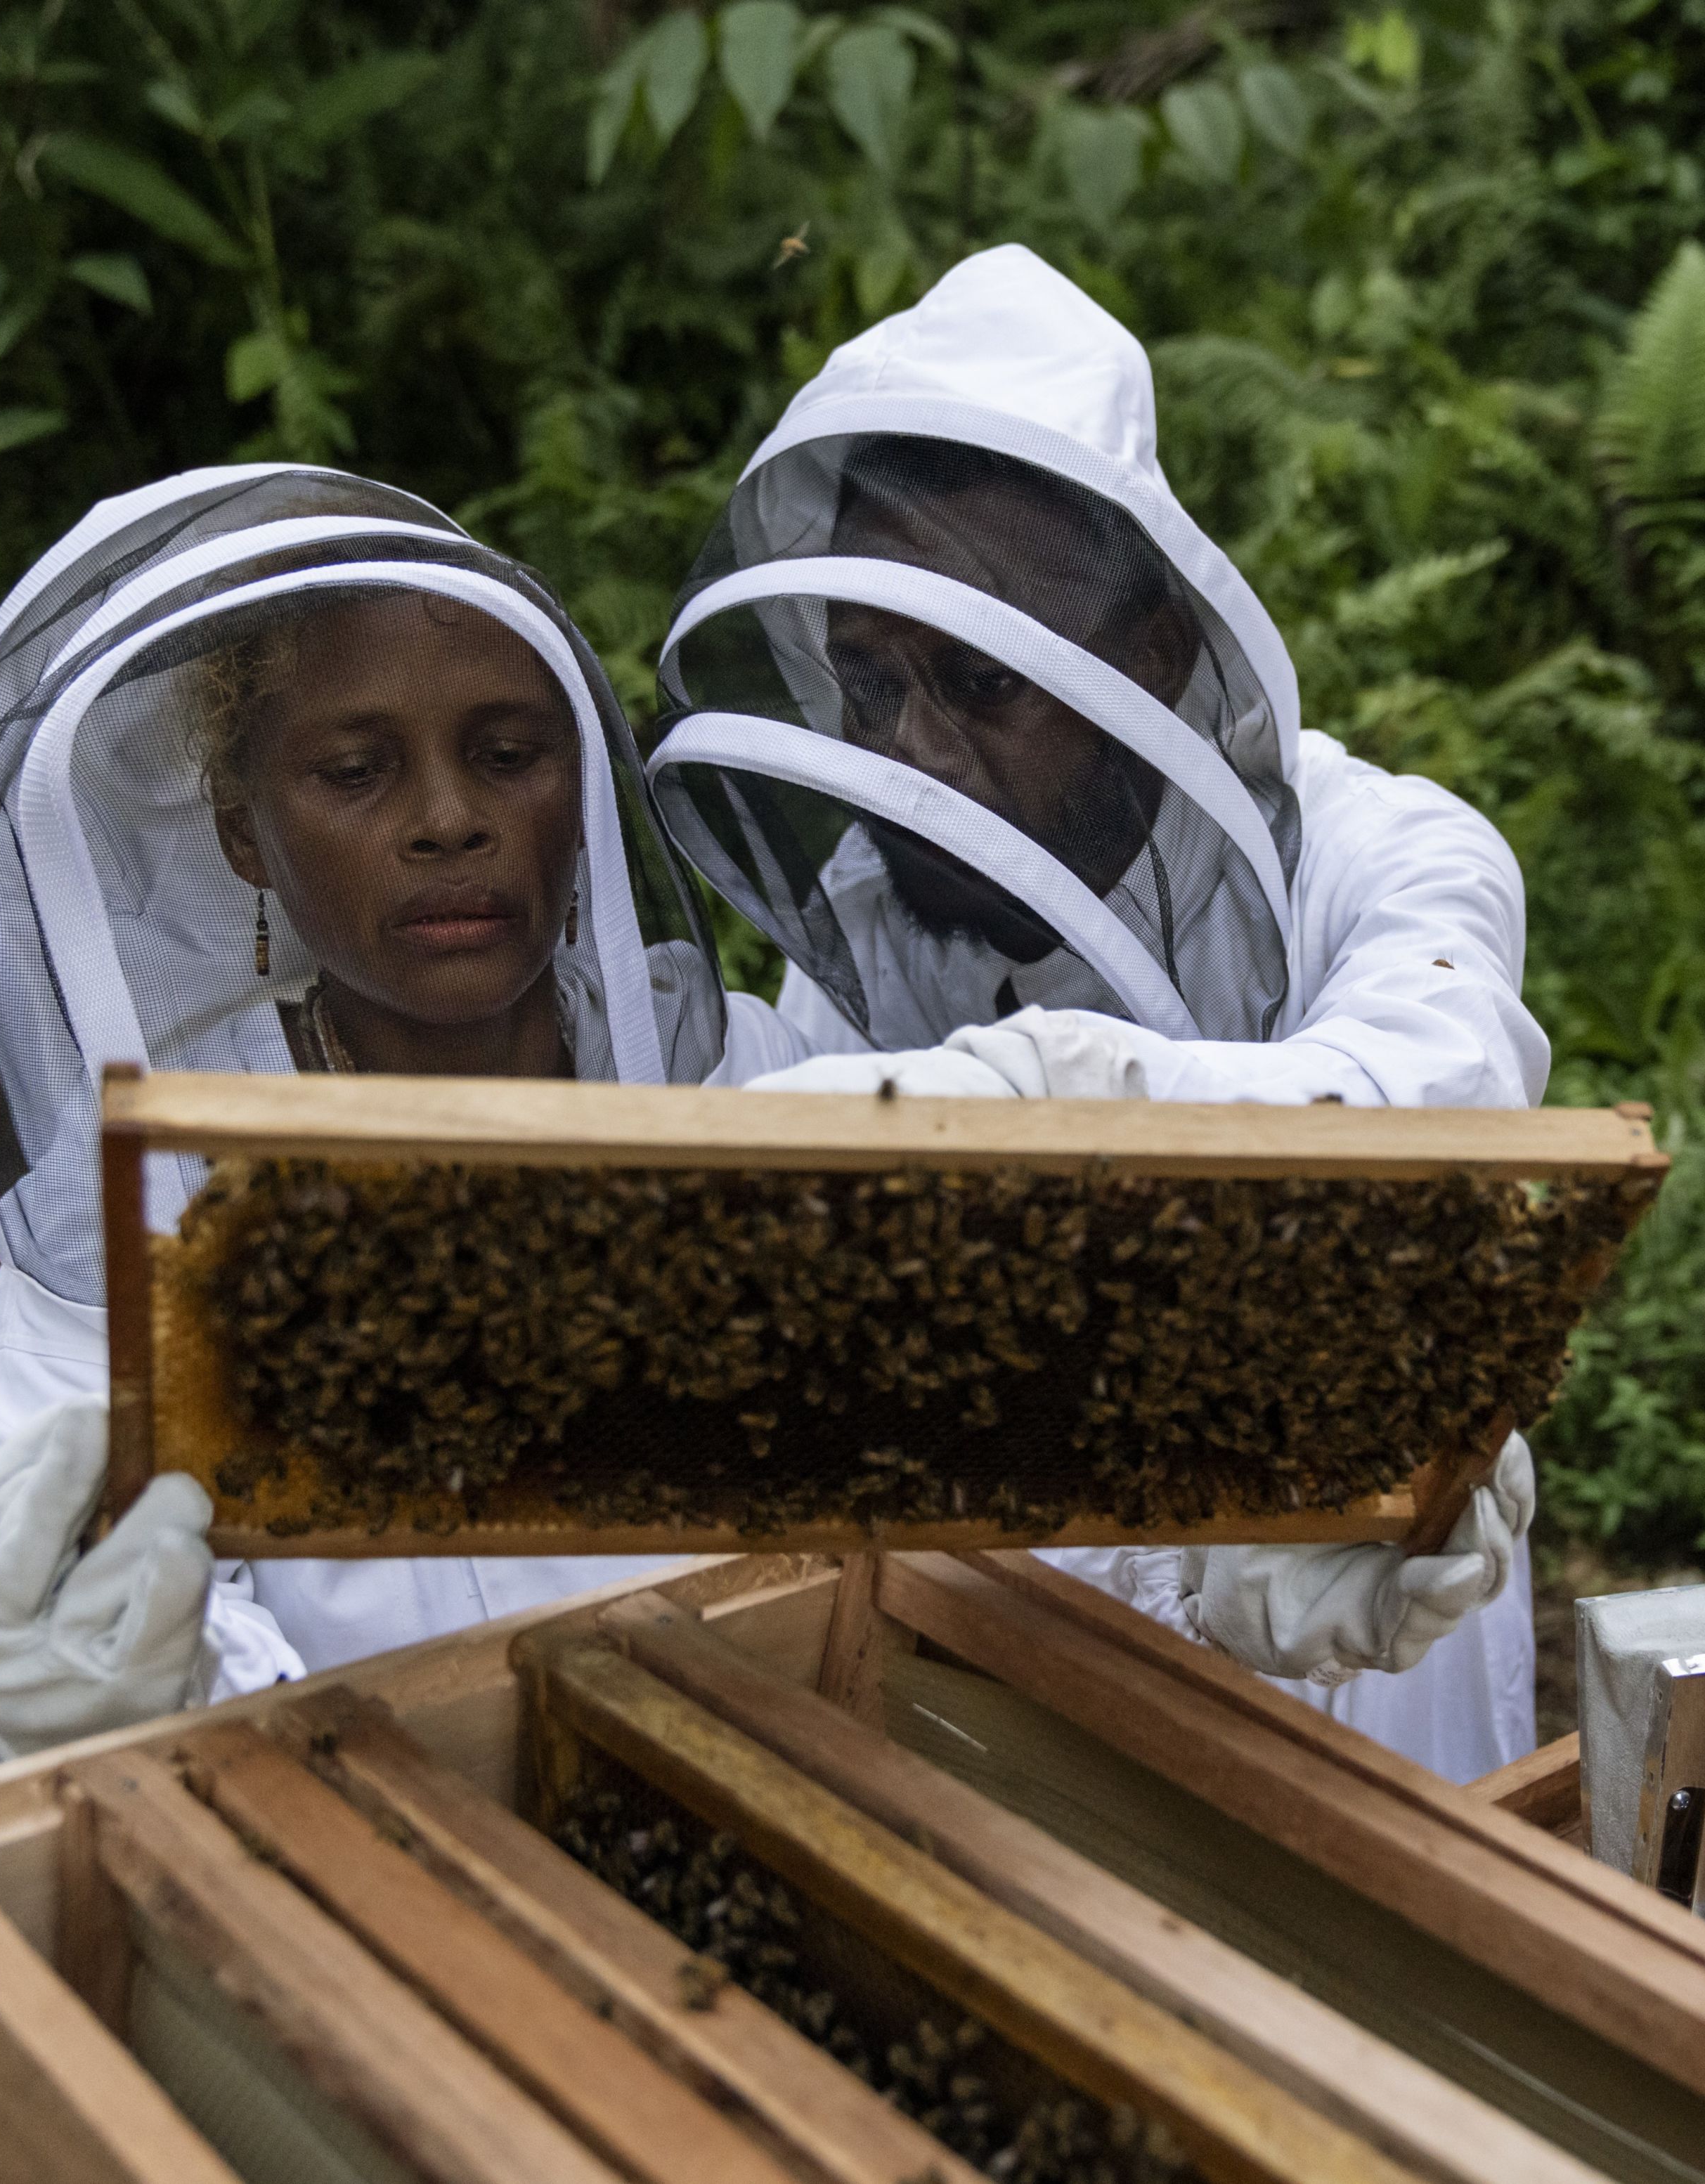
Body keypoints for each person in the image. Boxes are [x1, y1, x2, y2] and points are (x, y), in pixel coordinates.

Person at [647, 245, 1548, 1780]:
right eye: (872, 687)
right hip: (1033, 1666)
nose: (914, 749)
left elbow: (1427, 1100)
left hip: (1357, 1650)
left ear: (1150, 653)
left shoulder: (1383, 854)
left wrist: (1065, 1099)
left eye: (977, 683)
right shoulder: (871, 920)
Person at [0, 464, 794, 1783]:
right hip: (352, 1894)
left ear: (583, 789)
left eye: (508, 755)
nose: (450, 821)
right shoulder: (145, 1229)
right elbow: (58, 1703)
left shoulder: (758, 1093)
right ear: (244, 837)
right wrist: (121, 1676)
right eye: (356, 772)